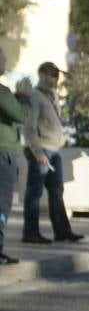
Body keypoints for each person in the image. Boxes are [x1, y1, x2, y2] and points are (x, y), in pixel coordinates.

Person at [18, 62, 82, 244]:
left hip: (54, 150)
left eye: (56, 75)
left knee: (56, 191)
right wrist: (37, 150)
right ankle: (30, 232)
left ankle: (62, 231)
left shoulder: (52, 96)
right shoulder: (35, 96)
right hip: (42, 149)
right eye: (52, 74)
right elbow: (29, 127)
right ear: (42, 75)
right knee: (34, 192)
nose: (56, 78)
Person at [0, 47, 24, 263]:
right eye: (3, 59)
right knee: (2, 202)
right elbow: (20, 115)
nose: (5, 63)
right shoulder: (2, 92)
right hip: (3, 153)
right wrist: (23, 97)